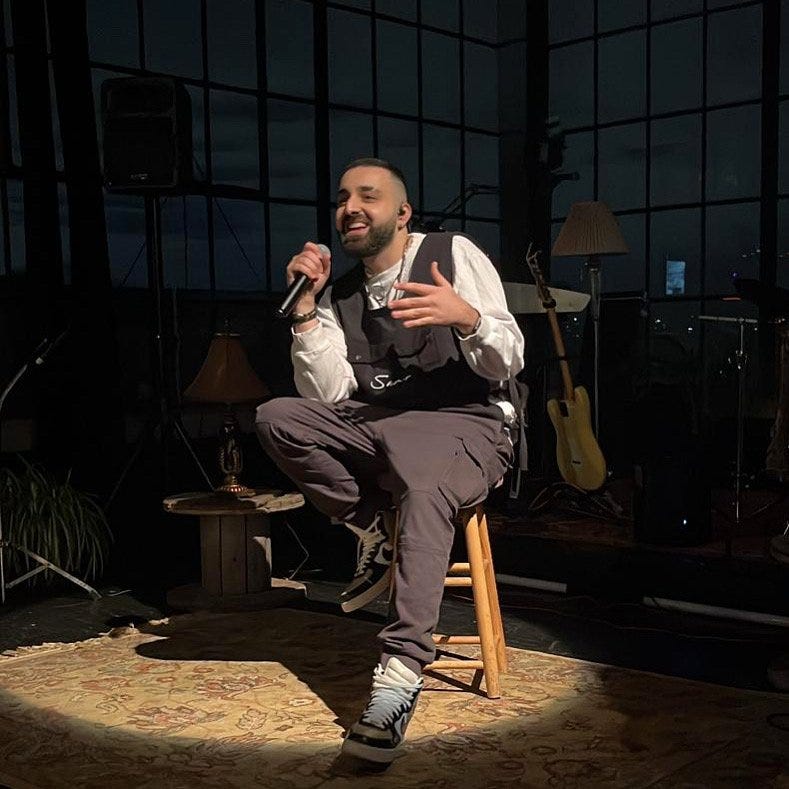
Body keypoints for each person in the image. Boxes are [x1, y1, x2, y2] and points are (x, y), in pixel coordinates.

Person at [255, 157, 525, 763]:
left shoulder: (452, 253)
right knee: (278, 417)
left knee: (422, 477)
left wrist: (468, 318)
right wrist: (305, 310)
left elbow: (509, 359)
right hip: (381, 425)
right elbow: (326, 396)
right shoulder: (339, 292)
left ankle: (400, 674)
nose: (350, 207)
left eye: (368, 196)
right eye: (343, 197)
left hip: (466, 421)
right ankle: (373, 526)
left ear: (402, 213)